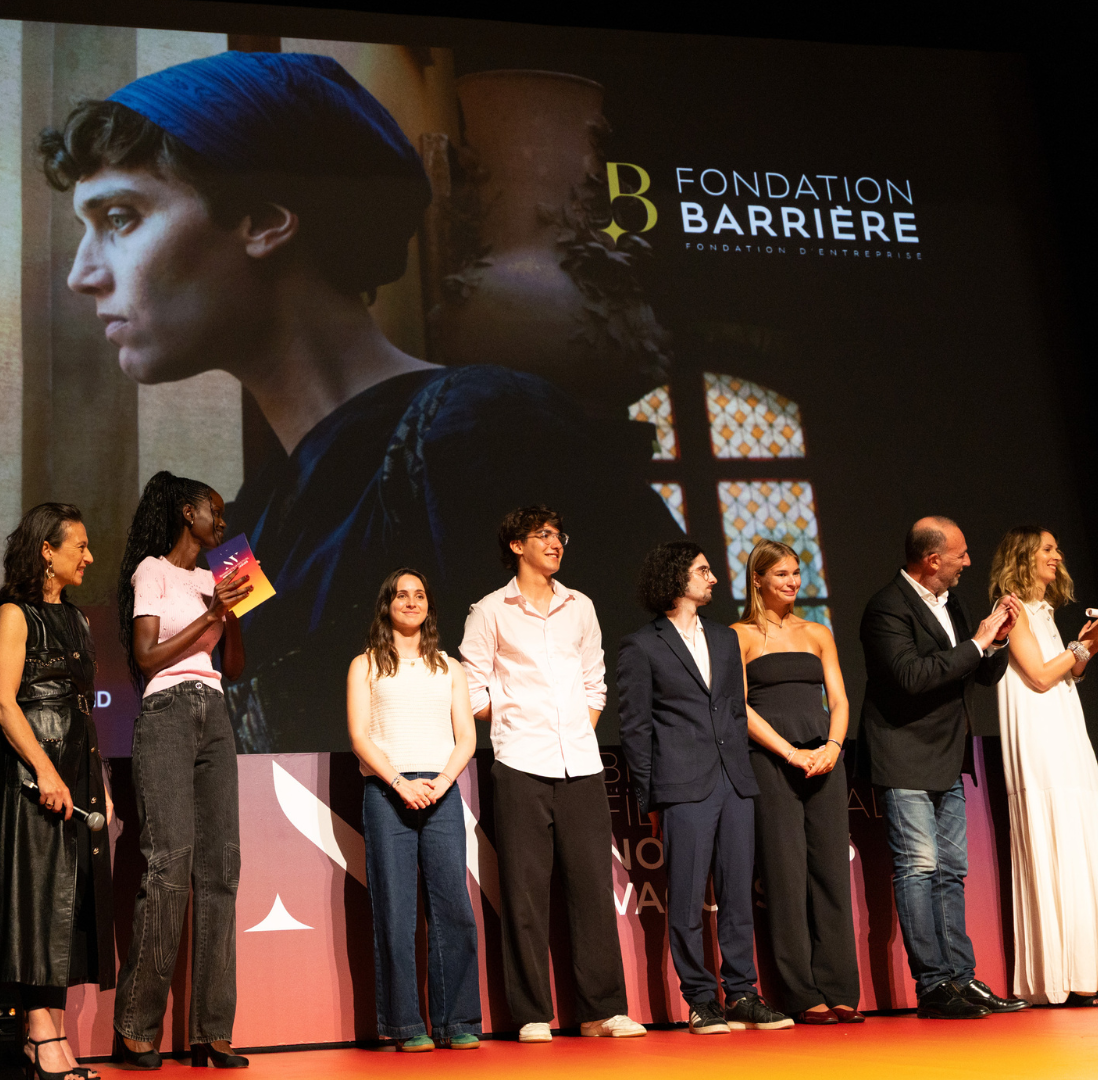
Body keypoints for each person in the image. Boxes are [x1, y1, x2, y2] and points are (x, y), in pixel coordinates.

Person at [40, 50, 678, 753]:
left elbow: (637, 718)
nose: (81, 275)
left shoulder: (483, 428)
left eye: (121, 217)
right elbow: (262, 739)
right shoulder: (243, 531)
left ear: (263, 219)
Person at [458, 506, 646, 1042]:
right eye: (542, 535)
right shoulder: (491, 610)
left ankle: (601, 1010)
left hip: (581, 763)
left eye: (559, 534)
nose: (555, 543)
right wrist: (514, 718)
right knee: (524, 892)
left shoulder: (579, 606)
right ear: (517, 545)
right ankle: (531, 1012)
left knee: (591, 888)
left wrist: (580, 727)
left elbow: (595, 679)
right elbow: (471, 685)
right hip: (520, 761)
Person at [618, 541, 793, 1035]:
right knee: (689, 896)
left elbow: (735, 711)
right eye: (703, 571)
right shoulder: (642, 645)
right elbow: (635, 730)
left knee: (738, 895)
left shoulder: (724, 638)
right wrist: (652, 797)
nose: (713, 578)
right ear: (677, 578)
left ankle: (741, 994)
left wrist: (742, 772)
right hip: (681, 786)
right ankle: (700, 1000)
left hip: (734, 781)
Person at [112, 472, 253, 1070]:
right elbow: (146, 659)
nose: (221, 524)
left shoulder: (215, 576)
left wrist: (235, 612)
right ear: (185, 514)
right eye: (212, 513)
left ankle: (212, 1031)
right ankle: (137, 1028)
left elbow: (236, 666)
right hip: (167, 710)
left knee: (221, 869)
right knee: (169, 865)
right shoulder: (155, 572)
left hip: (215, 711)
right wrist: (207, 618)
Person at [859, 515, 1024, 1019]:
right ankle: (933, 985)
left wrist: (995, 641)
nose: (968, 563)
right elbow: (911, 677)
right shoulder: (887, 607)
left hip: (948, 754)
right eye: (961, 554)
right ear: (933, 559)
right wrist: (977, 641)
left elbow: (982, 673)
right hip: (904, 753)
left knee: (951, 871)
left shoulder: (951, 602)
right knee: (919, 868)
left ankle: (961, 978)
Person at [987, 527, 1098, 1005]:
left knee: (1082, 833)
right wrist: (1080, 646)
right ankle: (1072, 976)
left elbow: (1069, 670)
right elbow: (1039, 676)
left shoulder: (1044, 611)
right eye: (1047, 549)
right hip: (1040, 736)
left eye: (1056, 548)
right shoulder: (1011, 608)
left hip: (1064, 727)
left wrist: (1094, 640)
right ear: (1022, 556)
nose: (1056, 556)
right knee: (1057, 829)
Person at [0, 503, 115, 1080]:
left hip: (76, 770)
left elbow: (84, 712)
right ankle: (41, 1038)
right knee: (38, 902)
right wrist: (46, 772)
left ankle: (52, 1035)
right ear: (47, 551)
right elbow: (3, 701)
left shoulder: (78, 619)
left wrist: (99, 784)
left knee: (69, 906)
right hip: (33, 777)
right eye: (79, 546)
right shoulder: (14, 613)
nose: (88, 557)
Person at [346, 568, 482, 1052]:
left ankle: (458, 1020)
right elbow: (360, 736)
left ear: (429, 606)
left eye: (419, 595)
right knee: (396, 912)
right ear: (387, 605)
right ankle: (406, 1026)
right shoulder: (365, 665)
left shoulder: (450, 666)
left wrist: (441, 783)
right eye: (401, 595)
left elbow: (466, 736)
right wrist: (401, 783)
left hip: (442, 794)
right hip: (388, 794)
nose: (411, 602)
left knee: (454, 909)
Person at [732, 540, 861, 1024]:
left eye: (796, 572)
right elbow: (737, 708)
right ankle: (802, 994)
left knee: (830, 873)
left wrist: (832, 747)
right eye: (781, 574)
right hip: (772, 762)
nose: (792, 581)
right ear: (759, 580)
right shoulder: (740, 636)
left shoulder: (818, 633)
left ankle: (841, 989)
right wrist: (789, 752)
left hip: (824, 761)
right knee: (785, 878)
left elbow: (841, 700)